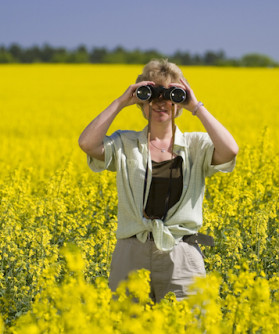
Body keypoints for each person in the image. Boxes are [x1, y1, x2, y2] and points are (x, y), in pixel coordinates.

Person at [78, 59, 238, 303]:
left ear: (179, 101)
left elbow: (230, 151)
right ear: (142, 102)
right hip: (132, 252)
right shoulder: (125, 143)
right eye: (151, 95)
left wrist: (196, 106)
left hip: (182, 254)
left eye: (170, 95)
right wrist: (121, 102)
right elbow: (87, 144)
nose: (160, 102)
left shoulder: (197, 145)